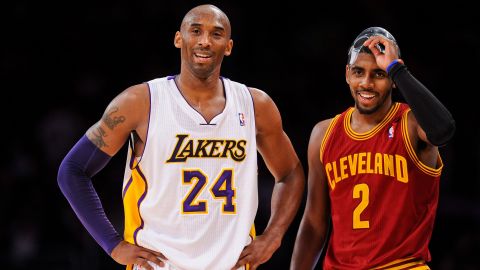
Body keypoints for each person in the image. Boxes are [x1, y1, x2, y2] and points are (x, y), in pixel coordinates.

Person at [57, 4, 304, 270]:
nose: (205, 41)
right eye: (195, 31)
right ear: (179, 38)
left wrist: (273, 237)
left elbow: (290, 173)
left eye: (216, 34)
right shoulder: (140, 102)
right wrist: (113, 245)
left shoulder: (256, 105)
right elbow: (72, 170)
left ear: (229, 46)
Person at [290, 26, 455, 269]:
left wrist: (397, 68)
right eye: (359, 72)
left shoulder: (411, 124)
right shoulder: (324, 134)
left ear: (393, 78)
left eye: (378, 74)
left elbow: (444, 130)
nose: (366, 83)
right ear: (347, 74)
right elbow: (314, 223)